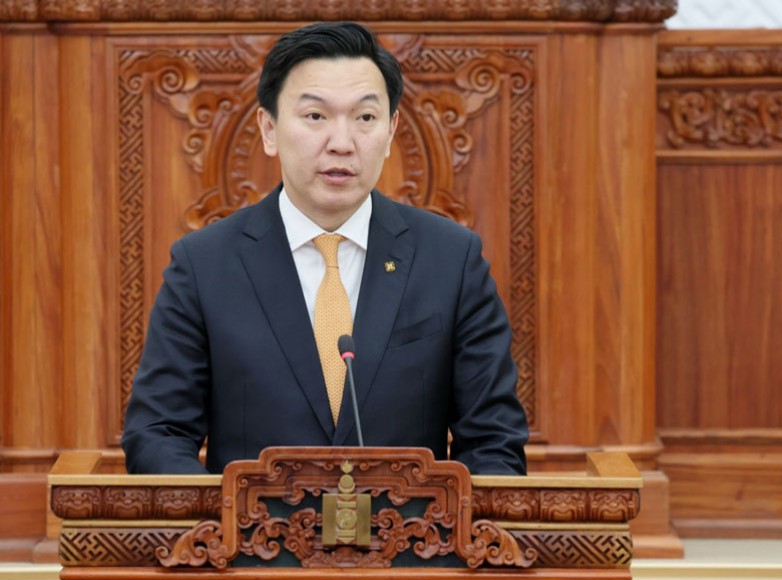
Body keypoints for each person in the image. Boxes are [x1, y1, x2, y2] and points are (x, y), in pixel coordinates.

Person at [121, 21, 529, 476]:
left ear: (391, 130)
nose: (341, 143)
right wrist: (223, 516)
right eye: (315, 116)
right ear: (269, 128)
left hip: (410, 524)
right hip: (249, 525)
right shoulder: (203, 265)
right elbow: (158, 434)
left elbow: (494, 443)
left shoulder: (452, 261)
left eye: (365, 118)